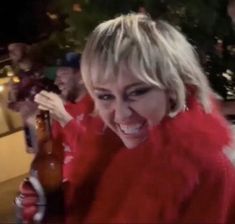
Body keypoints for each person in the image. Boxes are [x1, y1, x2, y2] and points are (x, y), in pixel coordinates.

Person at [19, 13, 235, 223]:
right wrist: (50, 209)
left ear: (173, 87)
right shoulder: (111, 155)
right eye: (105, 96)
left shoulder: (207, 170)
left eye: (137, 92)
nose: (121, 113)